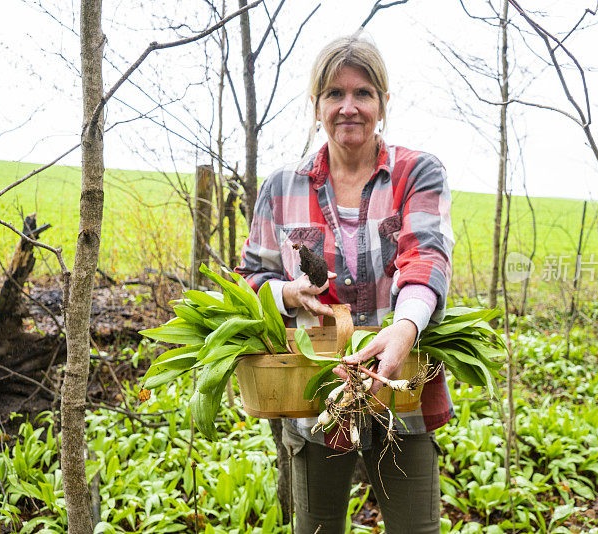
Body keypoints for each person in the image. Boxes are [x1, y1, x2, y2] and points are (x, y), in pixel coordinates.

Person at [236, 35, 454, 534]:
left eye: (363, 93)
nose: (348, 107)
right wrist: (286, 293)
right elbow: (251, 276)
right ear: (316, 106)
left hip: (401, 389)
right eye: (334, 94)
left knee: (416, 528)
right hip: (315, 393)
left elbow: (426, 257)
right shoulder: (281, 187)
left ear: (383, 103)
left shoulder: (416, 173)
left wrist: (403, 328)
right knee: (317, 528)